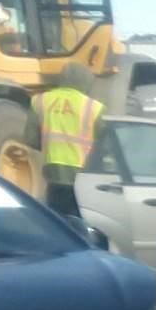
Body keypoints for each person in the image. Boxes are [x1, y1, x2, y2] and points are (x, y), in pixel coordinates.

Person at [33, 62, 101, 219]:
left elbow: (30, 139)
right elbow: (104, 145)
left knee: (58, 224)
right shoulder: (94, 107)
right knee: (81, 224)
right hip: (83, 176)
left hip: (53, 175)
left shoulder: (40, 101)